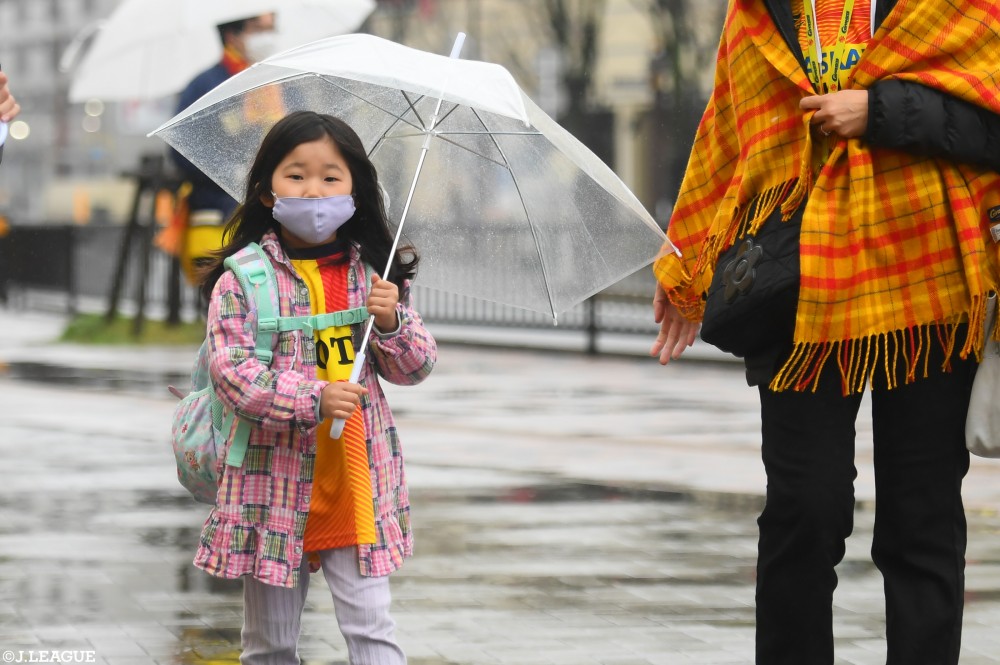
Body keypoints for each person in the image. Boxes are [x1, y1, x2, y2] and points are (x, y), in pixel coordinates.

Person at [650, 1, 1000, 663]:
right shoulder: (761, 10)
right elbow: (728, 128)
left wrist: (881, 113)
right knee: (802, 513)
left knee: (920, 520)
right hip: (797, 281)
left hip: (927, 281)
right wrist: (685, 265)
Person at [197, 110, 436, 664]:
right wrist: (314, 398)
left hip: (356, 485)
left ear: (356, 189)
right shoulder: (244, 279)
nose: (314, 191)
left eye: (331, 178)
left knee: (373, 631)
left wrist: (392, 322)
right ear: (265, 190)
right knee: (270, 643)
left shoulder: (373, 275)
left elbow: (415, 368)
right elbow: (233, 375)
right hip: (272, 488)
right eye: (296, 175)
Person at [168, 14, 278, 284]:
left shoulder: (278, 83)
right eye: (258, 29)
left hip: (271, 214)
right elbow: (180, 150)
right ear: (232, 35)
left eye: (271, 28)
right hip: (216, 213)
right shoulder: (204, 86)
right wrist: (229, 171)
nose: (268, 35)